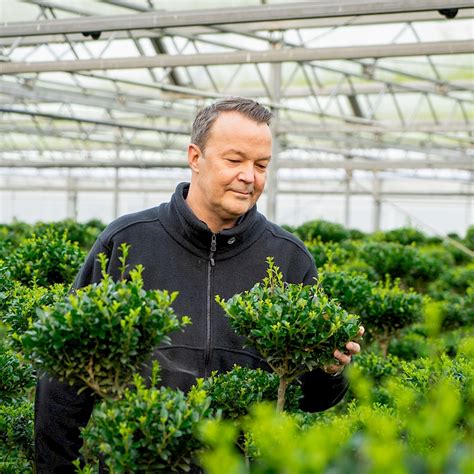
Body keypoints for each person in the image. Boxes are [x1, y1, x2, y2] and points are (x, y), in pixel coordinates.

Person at [35, 97, 363, 472]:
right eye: (234, 160)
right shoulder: (128, 242)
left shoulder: (288, 258)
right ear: (195, 157)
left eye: (261, 165)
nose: (249, 176)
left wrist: (330, 371)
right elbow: (64, 378)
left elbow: (311, 398)